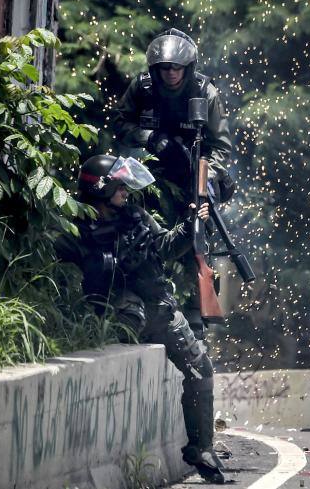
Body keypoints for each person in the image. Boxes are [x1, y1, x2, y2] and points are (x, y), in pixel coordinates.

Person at [54, 154, 226, 484]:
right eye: (119, 187)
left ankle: (201, 447)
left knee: (201, 369)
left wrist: (189, 227)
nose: (126, 193)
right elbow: (65, 277)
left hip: (160, 310)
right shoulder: (77, 228)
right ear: (101, 189)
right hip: (120, 314)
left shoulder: (136, 217)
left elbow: (163, 246)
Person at [112, 28, 233, 339]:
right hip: (146, 177)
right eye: (165, 68)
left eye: (176, 68)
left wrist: (205, 177)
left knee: (196, 243)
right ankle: (131, 307)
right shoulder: (142, 87)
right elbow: (118, 123)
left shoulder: (205, 92)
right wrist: (150, 138)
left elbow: (221, 147)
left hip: (193, 178)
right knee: (139, 239)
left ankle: (196, 320)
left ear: (187, 67)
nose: (170, 74)